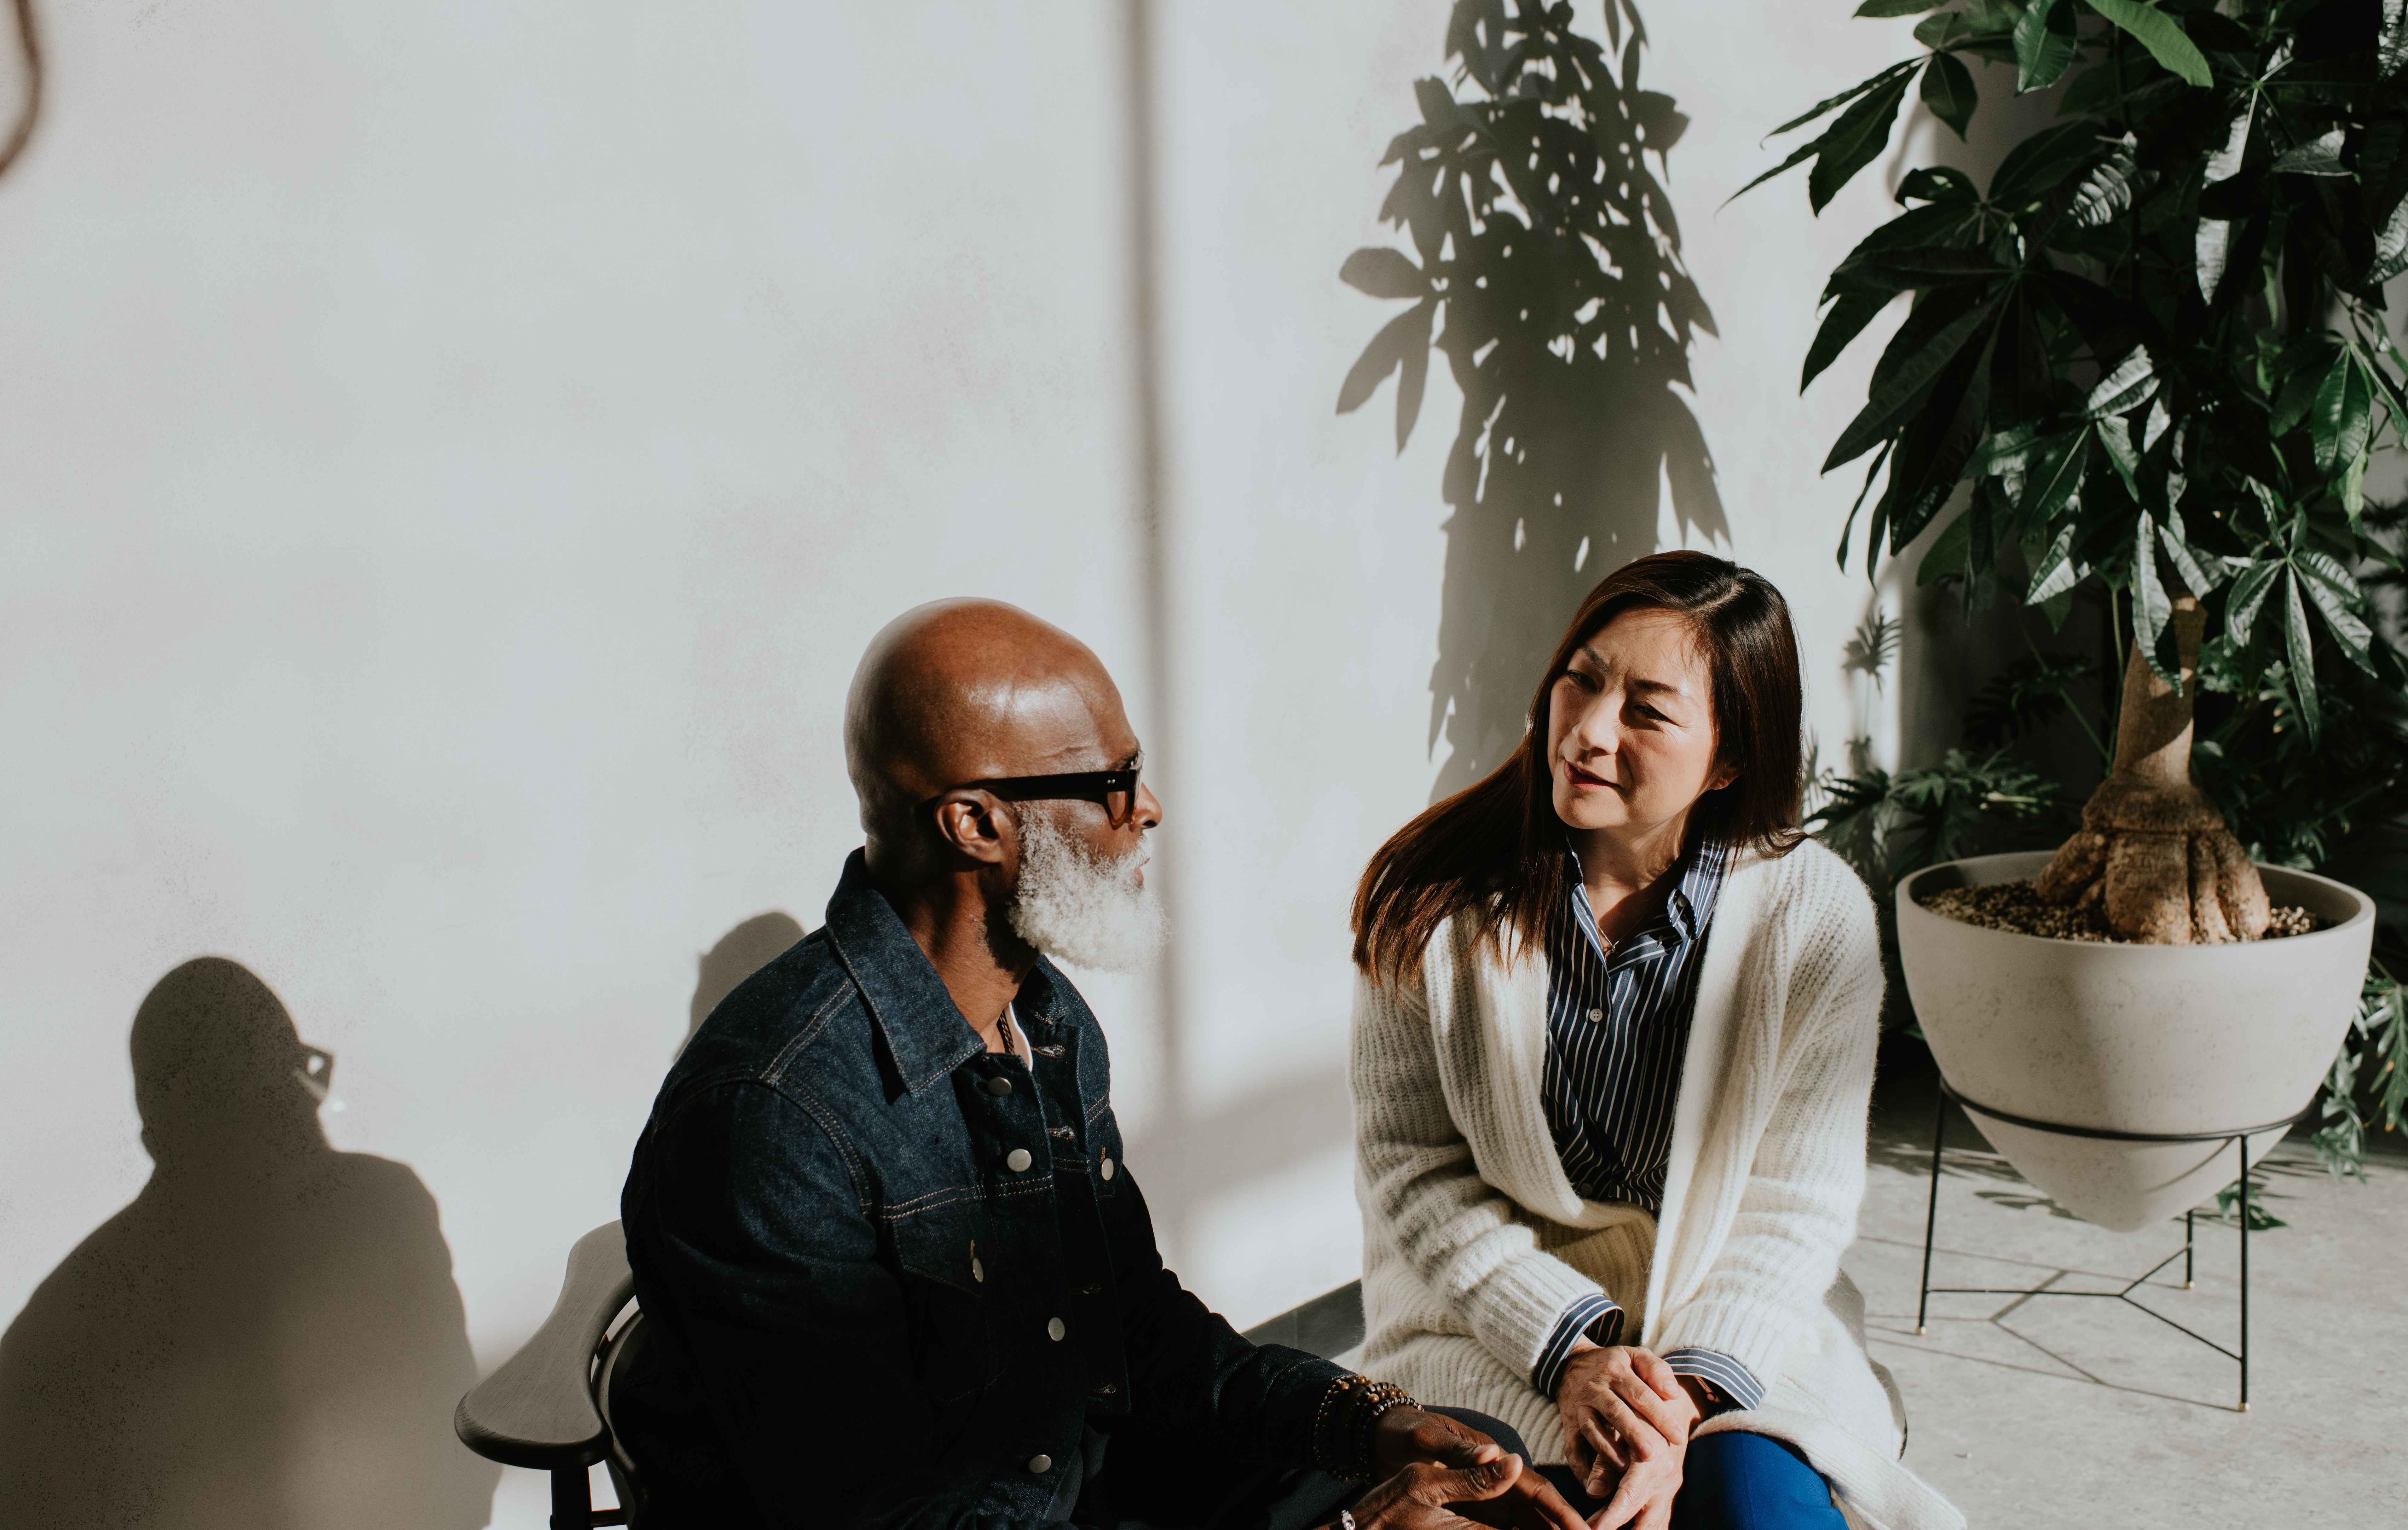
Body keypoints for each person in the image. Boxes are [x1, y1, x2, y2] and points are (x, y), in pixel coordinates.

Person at [617, 599, 1586, 1530]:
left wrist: (1372, 1423)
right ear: (976, 825)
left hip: (1077, 1478)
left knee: (1464, 1467)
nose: (1149, 810)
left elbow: (1133, 1326)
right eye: (1114, 780)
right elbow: (890, 1516)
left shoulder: (1041, 1015)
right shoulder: (769, 1118)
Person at [1347, 553, 1963, 1530]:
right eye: (1581, 680)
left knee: (1762, 1506)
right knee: (1506, 1503)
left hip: (1729, 1312)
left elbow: (1791, 1209)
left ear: (1727, 759)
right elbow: (1411, 1167)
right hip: (1490, 1319)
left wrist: (1676, 1401)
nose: (1587, 732)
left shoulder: (1813, 919)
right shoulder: (1434, 901)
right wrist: (1571, 1351)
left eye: (1646, 710)